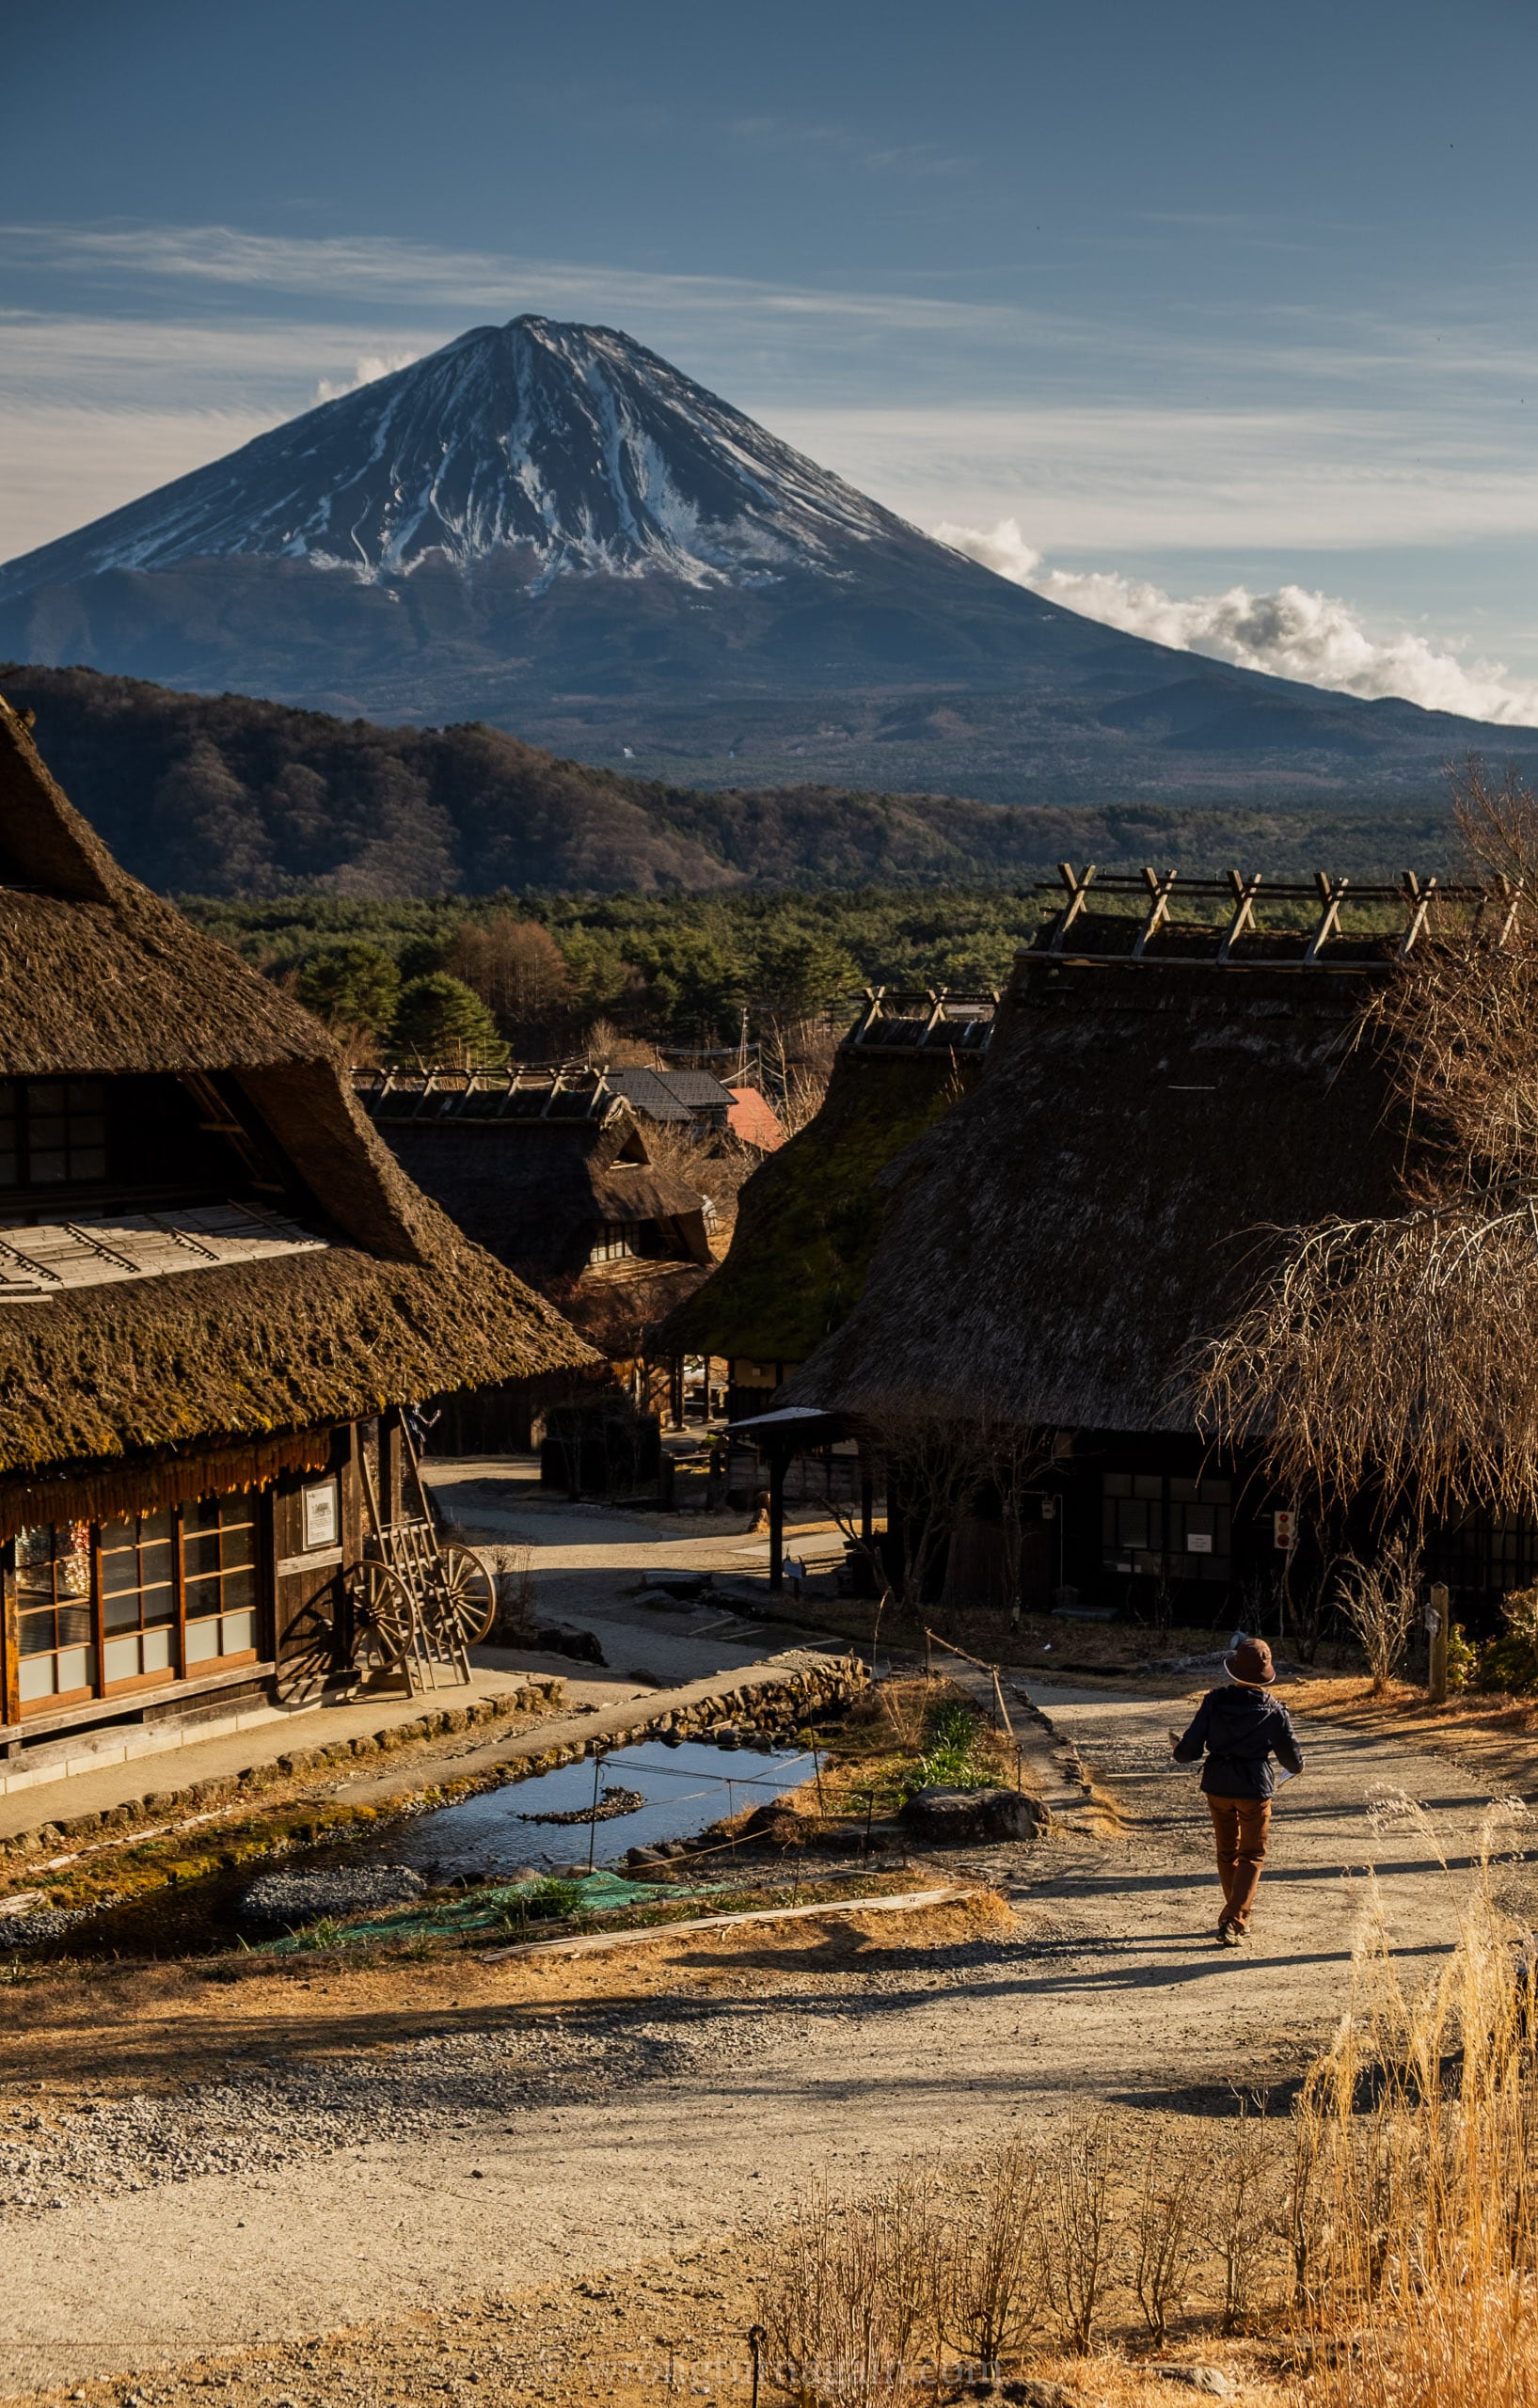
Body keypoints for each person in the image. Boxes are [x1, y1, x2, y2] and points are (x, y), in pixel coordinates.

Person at [1172, 1635, 1303, 1944]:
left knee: (1227, 1852)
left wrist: (1178, 1749)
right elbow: (1292, 1760)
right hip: (1254, 1788)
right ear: (1266, 1673)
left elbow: (1189, 1751)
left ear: (1232, 1670)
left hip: (1217, 1785)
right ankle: (1234, 1918)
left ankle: (1235, 1914)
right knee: (1252, 1854)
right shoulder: (1274, 1710)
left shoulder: (1214, 1701)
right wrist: (1297, 1767)